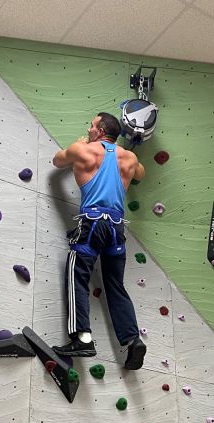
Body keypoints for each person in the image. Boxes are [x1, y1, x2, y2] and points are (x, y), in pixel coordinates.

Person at [50, 112, 147, 370]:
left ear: (101, 129)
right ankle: (132, 339)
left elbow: (57, 161)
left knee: (77, 274)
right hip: (116, 228)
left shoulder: (83, 150)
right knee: (115, 284)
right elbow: (141, 175)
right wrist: (126, 151)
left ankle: (82, 338)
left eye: (92, 126)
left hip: (92, 224)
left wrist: (79, 143)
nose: (89, 129)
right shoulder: (129, 158)